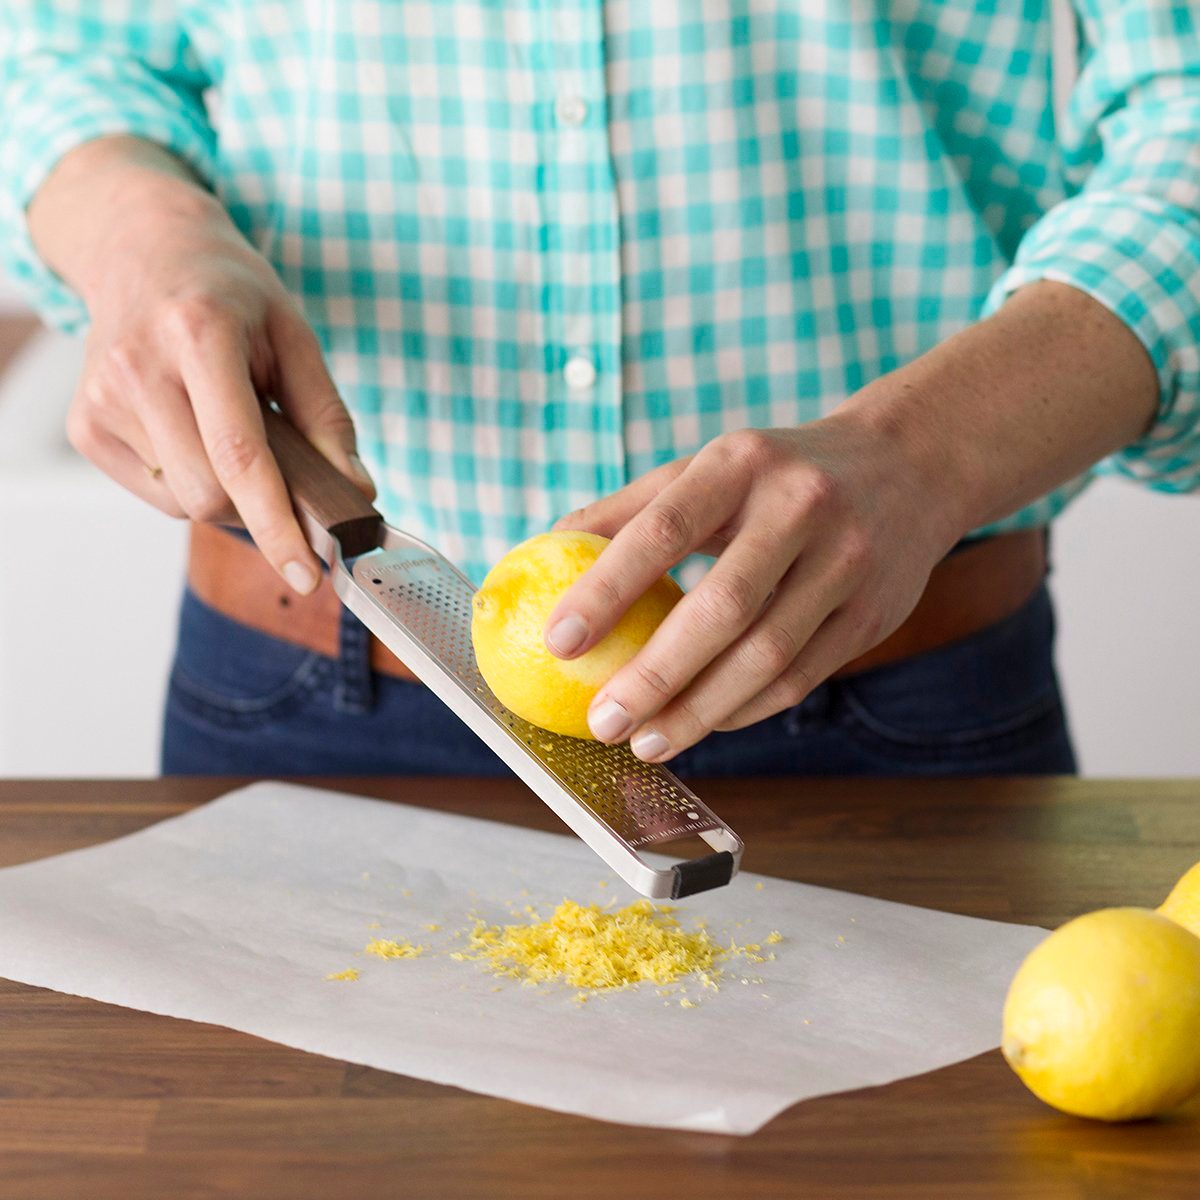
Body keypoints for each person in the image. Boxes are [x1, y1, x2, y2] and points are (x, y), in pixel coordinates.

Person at [2, 2, 1196, 779]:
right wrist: (135, 223)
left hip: (893, 703)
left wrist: (925, 451)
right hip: (305, 695)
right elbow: (62, 44)